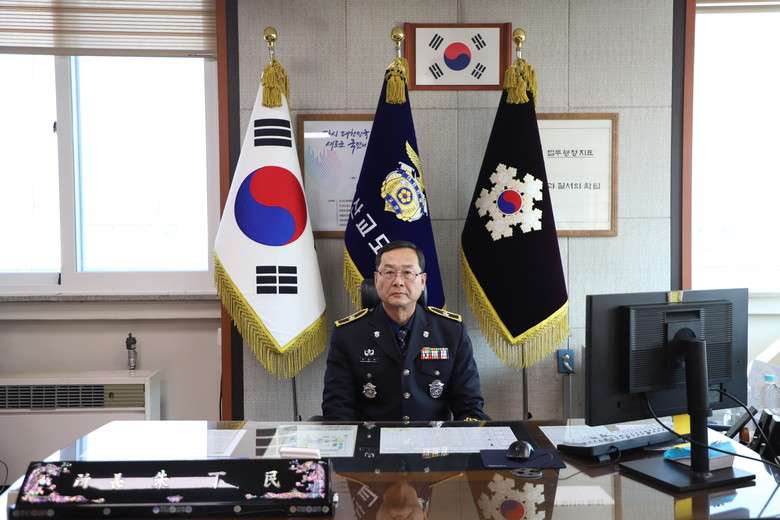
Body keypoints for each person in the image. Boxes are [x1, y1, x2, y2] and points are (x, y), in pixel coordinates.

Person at [322, 240, 486, 421]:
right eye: (389, 273)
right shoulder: (348, 334)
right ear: (376, 280)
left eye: (408, 273)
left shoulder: (451, 331)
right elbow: (338, 407)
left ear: (422, 281)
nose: (398, 282)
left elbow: (469, 405)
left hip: (433, 437)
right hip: (372, 437)